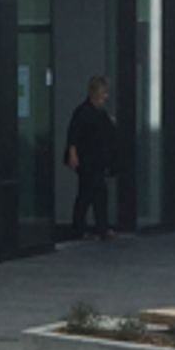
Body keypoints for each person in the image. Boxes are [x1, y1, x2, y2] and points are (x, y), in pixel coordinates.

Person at [65, 75, 122, 240]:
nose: (106, 96)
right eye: (103, 92)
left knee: (97, 194)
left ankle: (99, 227)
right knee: (87, 194)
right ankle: (81, 228)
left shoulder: (100, 113)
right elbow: (73, 135)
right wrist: (73, 155)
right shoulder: (83, 112)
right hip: (87, 160)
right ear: (94, 93)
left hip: (98, 160)